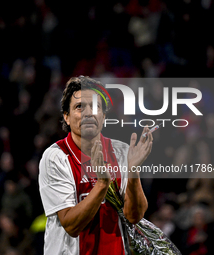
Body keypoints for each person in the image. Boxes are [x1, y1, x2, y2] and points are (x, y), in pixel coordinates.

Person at [38, 76, 153, 254]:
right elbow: (71, 225)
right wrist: (102, 184)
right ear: (66, 117)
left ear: (103, 116)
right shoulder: (56, 157)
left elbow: (134, 216)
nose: (88, 112)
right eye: (79, 107)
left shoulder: (121, 151)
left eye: (95, 106)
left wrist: (133, 171)